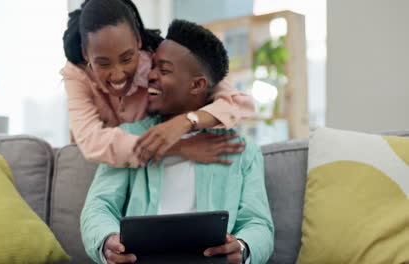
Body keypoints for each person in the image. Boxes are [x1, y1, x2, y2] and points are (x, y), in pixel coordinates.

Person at [81, 19, 274, 264]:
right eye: (151, 67)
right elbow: (99, 206)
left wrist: (243, 247)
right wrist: (106, 240)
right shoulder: (128, 138)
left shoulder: (242, 151)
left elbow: (259, 223)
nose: (149, 76)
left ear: (197, 85)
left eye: (164, 70)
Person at [61, 0, 255, 168]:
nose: (118, 75)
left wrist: (185, 122)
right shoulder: (77, 75)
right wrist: (178, 147)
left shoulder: (157, 63)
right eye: (103, 63)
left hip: (150, 165)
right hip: (105, 165)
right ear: (86, 54)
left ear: (137, 41)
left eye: (127, 58)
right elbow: (93, 143)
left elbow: (240, 104)